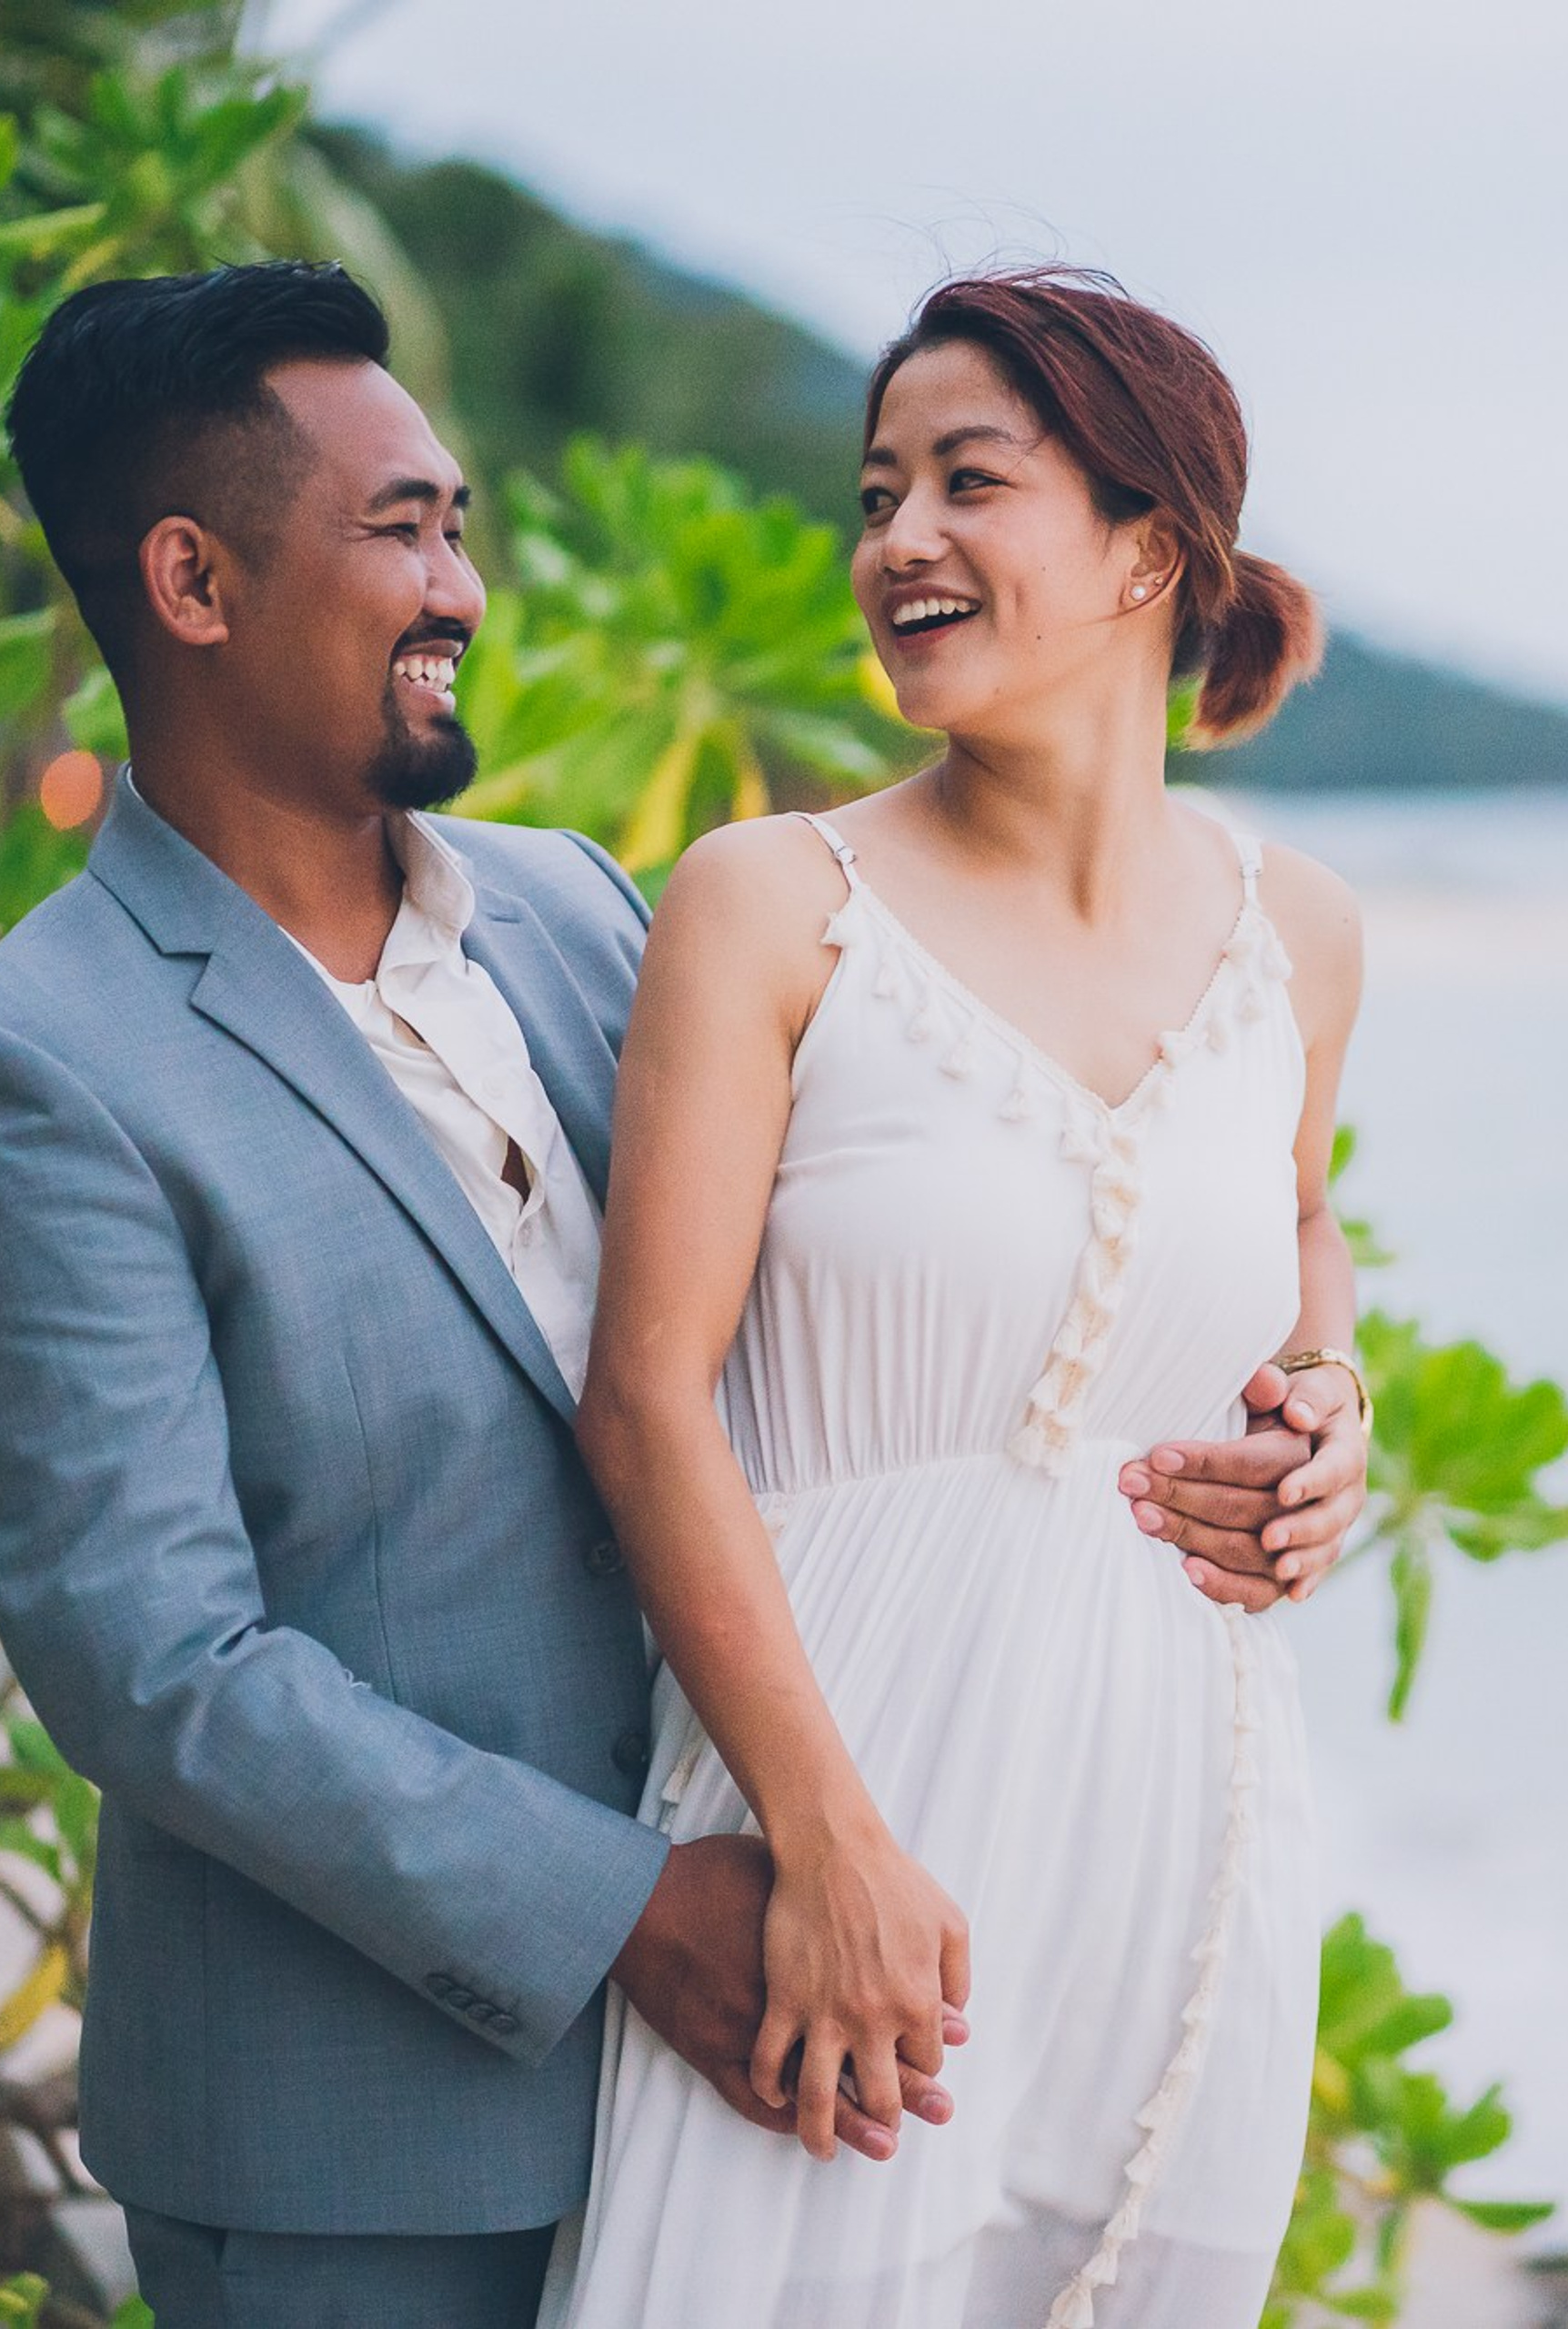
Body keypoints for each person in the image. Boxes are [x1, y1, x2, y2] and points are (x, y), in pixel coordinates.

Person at [0, 261, 1365, 2328]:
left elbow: (953, 1208)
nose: (460, 581)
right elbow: (158, 1662)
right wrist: (642, 1904)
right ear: (192, 580)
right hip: (370, 2133)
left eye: (458, 521)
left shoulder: (581, 911)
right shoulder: (57, 1047)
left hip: (838, 2009)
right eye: (402, 530)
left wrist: (1306, 1396)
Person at [539, 270, 1365, 2328]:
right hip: (840, 1818)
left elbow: (1296, 1225)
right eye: (876, 488)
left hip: (1188, 1829)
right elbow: (643, 1396)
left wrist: (1331, 1394)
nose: (895, 537)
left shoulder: (1301, 935)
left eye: (965, 480)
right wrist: (823, 1848)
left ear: (1147, 548)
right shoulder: (771, 902)